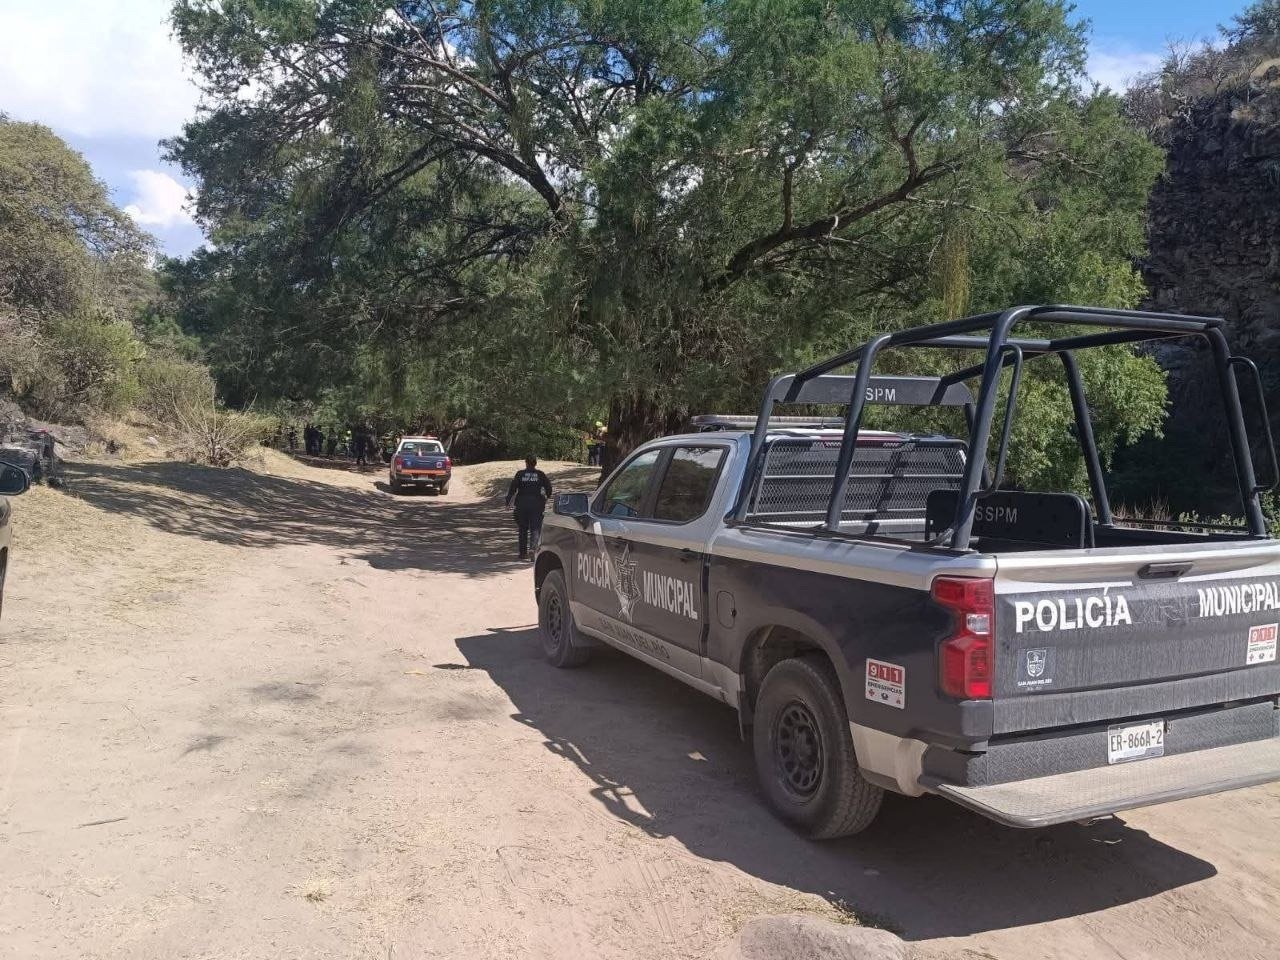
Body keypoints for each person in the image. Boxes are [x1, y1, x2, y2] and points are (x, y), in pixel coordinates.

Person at [505, 456, 553, 560]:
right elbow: (548, 487)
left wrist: (508, 502)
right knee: (535, 528)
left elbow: (512, 488)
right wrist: (547, 496)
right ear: (535, 463)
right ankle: (533, 549)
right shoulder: (540, 474)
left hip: (521, 504)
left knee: (523, 528)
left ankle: (523, 553)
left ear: (526, 463)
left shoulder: (520, 474)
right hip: (536, 504)